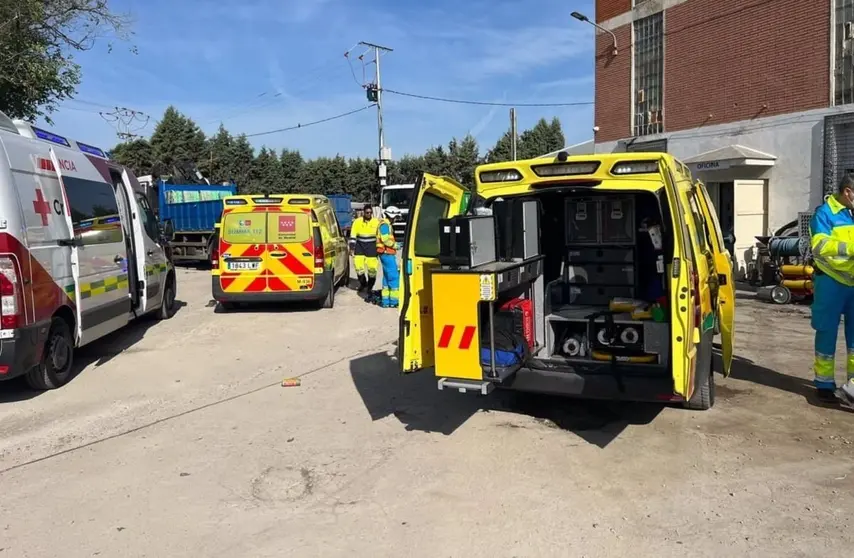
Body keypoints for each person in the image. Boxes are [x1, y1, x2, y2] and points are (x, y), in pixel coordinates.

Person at [809, 174, 854, 402]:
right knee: (826, 332)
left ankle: (853, 386)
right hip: (830, 281)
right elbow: (819, 246)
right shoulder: (824, 214)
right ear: (848, 192)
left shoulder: (851, 212)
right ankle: (824, 384)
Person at [350, 205, 379, 293]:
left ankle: (370, 287)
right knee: (359, 268)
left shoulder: (376, 222)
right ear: (364, 212)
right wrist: (351, 248)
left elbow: (380, 236)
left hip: (372, 248)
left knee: (372, 270)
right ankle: (363, 284)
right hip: (360, 247)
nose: (369, 214)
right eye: (367, 212)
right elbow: (353, 235)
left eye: (370, 213)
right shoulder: (357, 222)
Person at [376, 210, 400, 308]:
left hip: (385, 253)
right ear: (391, 216)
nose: (395, 219)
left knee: (386, 278)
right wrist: (395, 245)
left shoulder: (385, 224)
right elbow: (385, 239)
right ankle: (394, 302)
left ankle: (386, 301)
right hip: (386, 253)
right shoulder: (385, 225)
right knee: (394, 277)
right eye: (395, 217)